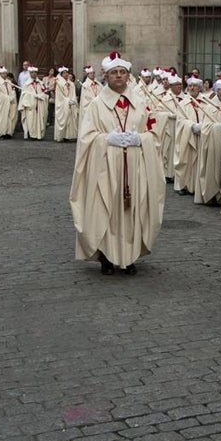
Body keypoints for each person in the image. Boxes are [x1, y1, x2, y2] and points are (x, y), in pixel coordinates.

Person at [69, 52, 164, 275]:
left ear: (128, 75)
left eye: (122, 72)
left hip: (135, 168)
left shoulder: (141, 104)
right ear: (106, 75)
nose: (118, 76)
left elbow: (154, 134)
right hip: (105, 169)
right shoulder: (96, 105)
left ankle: (129, 257)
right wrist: (105, 139)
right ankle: (106, 256)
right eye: (114, 73)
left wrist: (141, 139)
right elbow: (85, 138)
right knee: (107, 210)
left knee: (132, 211)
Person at [193, 78, 221, 206]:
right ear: (217, 91)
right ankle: (213, 195)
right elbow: (205, 129)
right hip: (214, 147)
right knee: (213, 168)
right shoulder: (210, 108)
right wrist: (220, 127)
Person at [173, 77, 205, 195]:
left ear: (199, 88)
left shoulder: (206, 102)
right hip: (187, 136)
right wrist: (191, 126)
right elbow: (180, 121)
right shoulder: (182, 104)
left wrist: (203, 125)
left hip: (201, 135)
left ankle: (197, 186)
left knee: (200, 160)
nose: (192, 88)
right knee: (185, 159)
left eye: (195, 86)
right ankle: (183, 185)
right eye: (190, 86)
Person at [19, 66, 48, 140]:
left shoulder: (41, 83)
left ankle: (39, 135)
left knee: (39, 121)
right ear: (30, 73)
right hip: (30, 107)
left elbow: (45, 94)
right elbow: (23, 96)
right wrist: (32, 97)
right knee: (31, 122)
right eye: (32, 72)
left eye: (35, 72)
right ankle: (32, 135)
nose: (34, 74)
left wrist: (41, 96)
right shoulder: (26, 84)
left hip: (39, 106)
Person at [0, 66, 18, 139]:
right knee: (2, 119)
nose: (5, 75)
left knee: (8, 118)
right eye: (3, 73)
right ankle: (1, 133)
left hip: (8, 104)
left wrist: (13, 95)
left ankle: (8, 132)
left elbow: (11, 90)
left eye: (5, 73)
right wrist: (8, 98)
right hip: (1, 105)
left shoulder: (8, 82)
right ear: (0, 74)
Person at [52, 67, 78, 142]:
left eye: (67, 72)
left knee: (70, 120)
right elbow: (59, 96)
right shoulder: (59, 84)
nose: (66, 74)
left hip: (70, 104)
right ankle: (61, 136)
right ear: (61, 74)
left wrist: (73, 100)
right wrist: (67, 101)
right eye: (64, 73)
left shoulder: (71, 84)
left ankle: (68, 136)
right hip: (63, 105)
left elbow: (73, 93)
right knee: (64, 118)